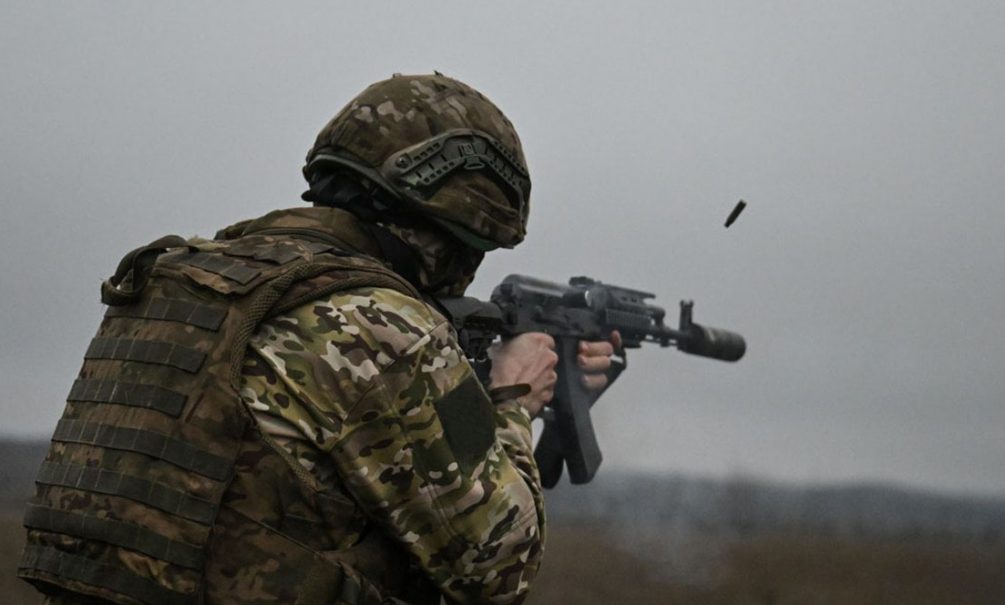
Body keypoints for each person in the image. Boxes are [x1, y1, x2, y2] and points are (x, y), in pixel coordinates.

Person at [18, 73, 619, 605]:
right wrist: (513, 398)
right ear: (458, 228)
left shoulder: (183, 279)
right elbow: (501, 567)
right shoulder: (383, 327)